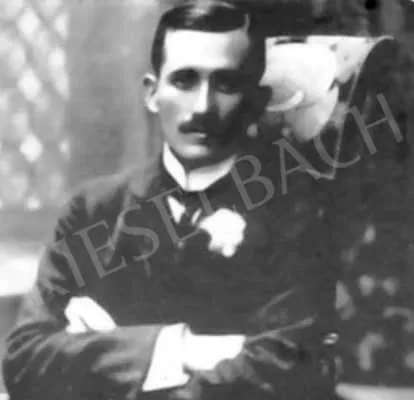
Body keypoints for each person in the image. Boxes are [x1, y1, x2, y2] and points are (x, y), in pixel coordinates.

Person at [2, 1, 338, 399]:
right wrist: (181, 349)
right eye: (184, 81)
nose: (202, 107)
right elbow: (25, 358)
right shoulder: (93, 210)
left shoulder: (297, 213)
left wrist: (109, 348)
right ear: (152, 93)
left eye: (226, 84)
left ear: (255, 100)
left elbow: (291, 367)